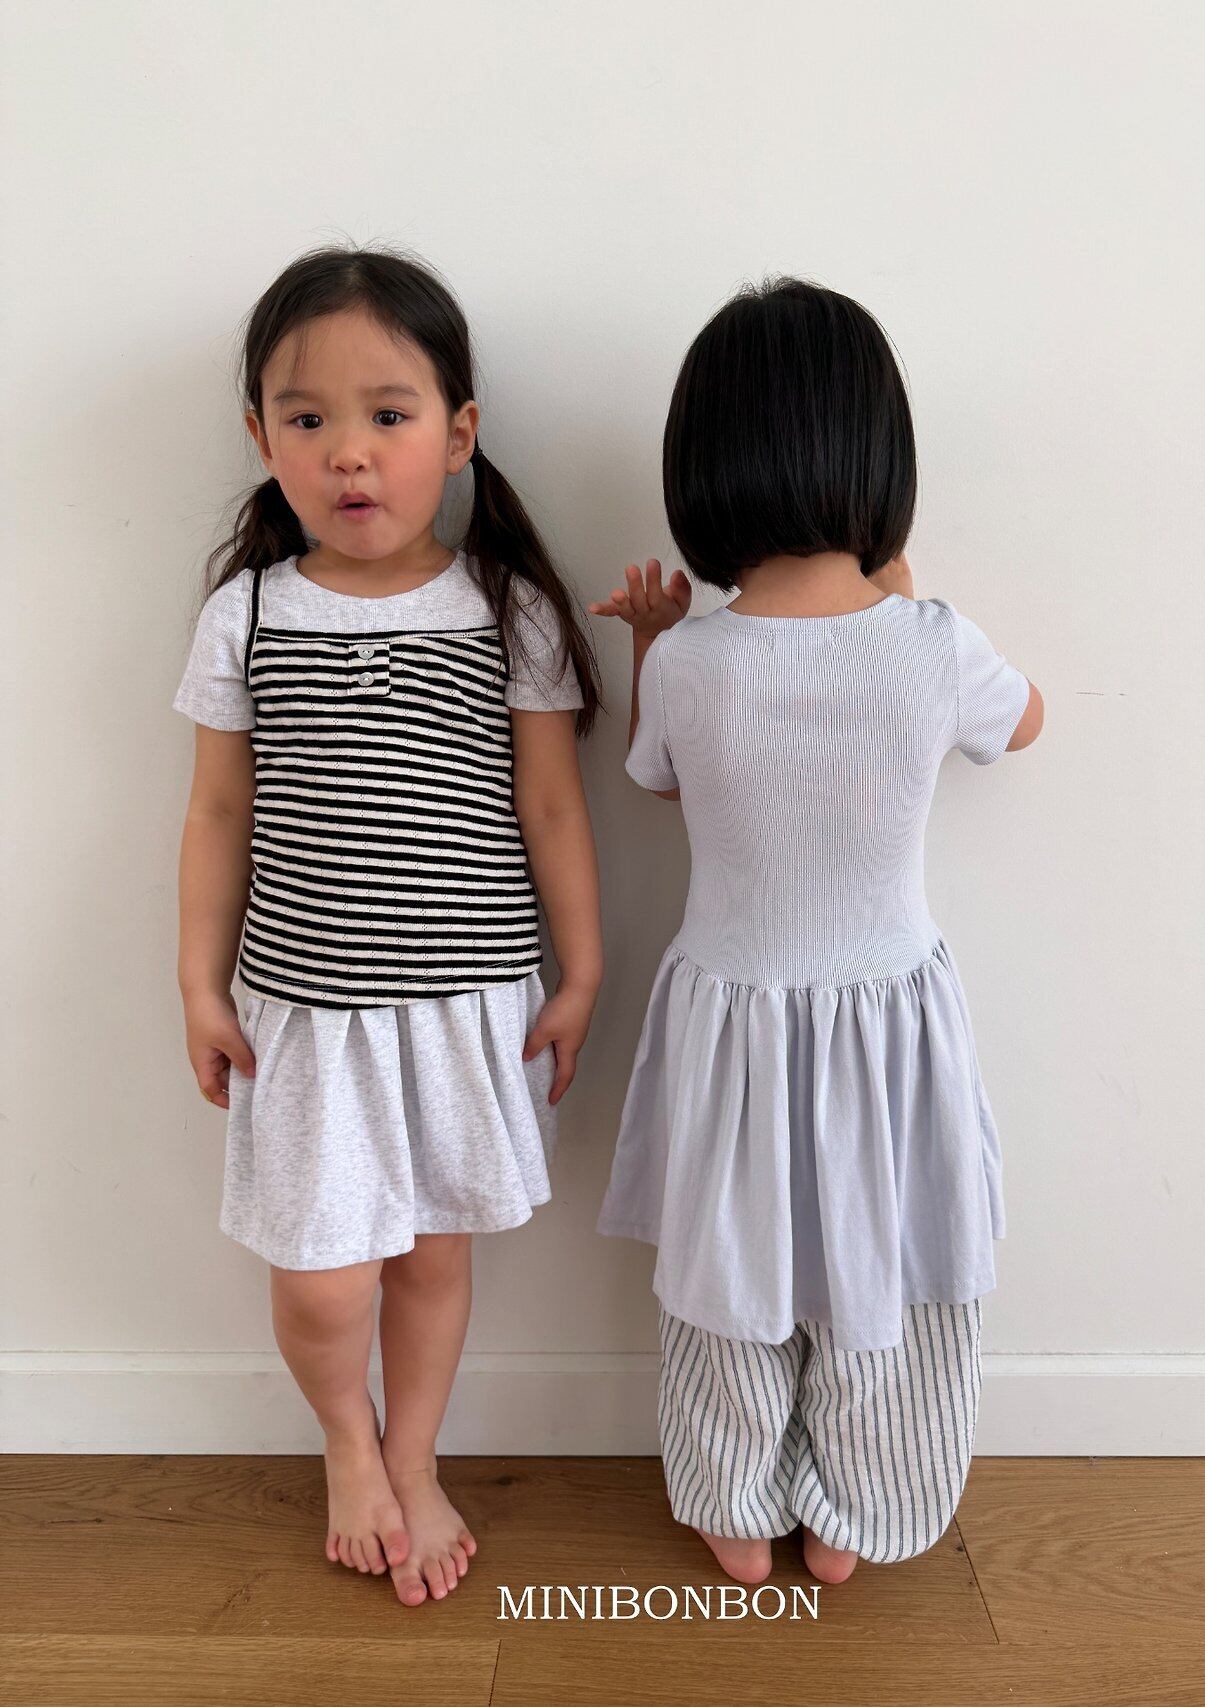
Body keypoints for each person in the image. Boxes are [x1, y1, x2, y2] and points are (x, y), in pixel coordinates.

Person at [592, 277, 1044, 1587]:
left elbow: (653, 776)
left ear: (705, 472)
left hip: (732, 1018)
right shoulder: (932, 644)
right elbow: (1020, 723)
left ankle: (733, 1504)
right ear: (879, 462)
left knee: (727, 1274)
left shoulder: (693, 663)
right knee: (881, 1270)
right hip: (886, 1022)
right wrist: (901, 587)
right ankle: (858, 1510)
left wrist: (652, 642)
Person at [173, 244, 604, 1608]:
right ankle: (346, 1441)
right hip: (305, 1014)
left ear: (458, 432)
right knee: (323, 1283)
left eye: (389, 414)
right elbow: (218, 814)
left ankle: (411, 1458)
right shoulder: (247, 614)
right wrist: (197, 985)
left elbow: (551, 806)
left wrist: (583, 968)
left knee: (430, 1256)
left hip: (465, 1005)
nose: (349, 452)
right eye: (308, 418)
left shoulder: (507, 609)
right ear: (264, 440)